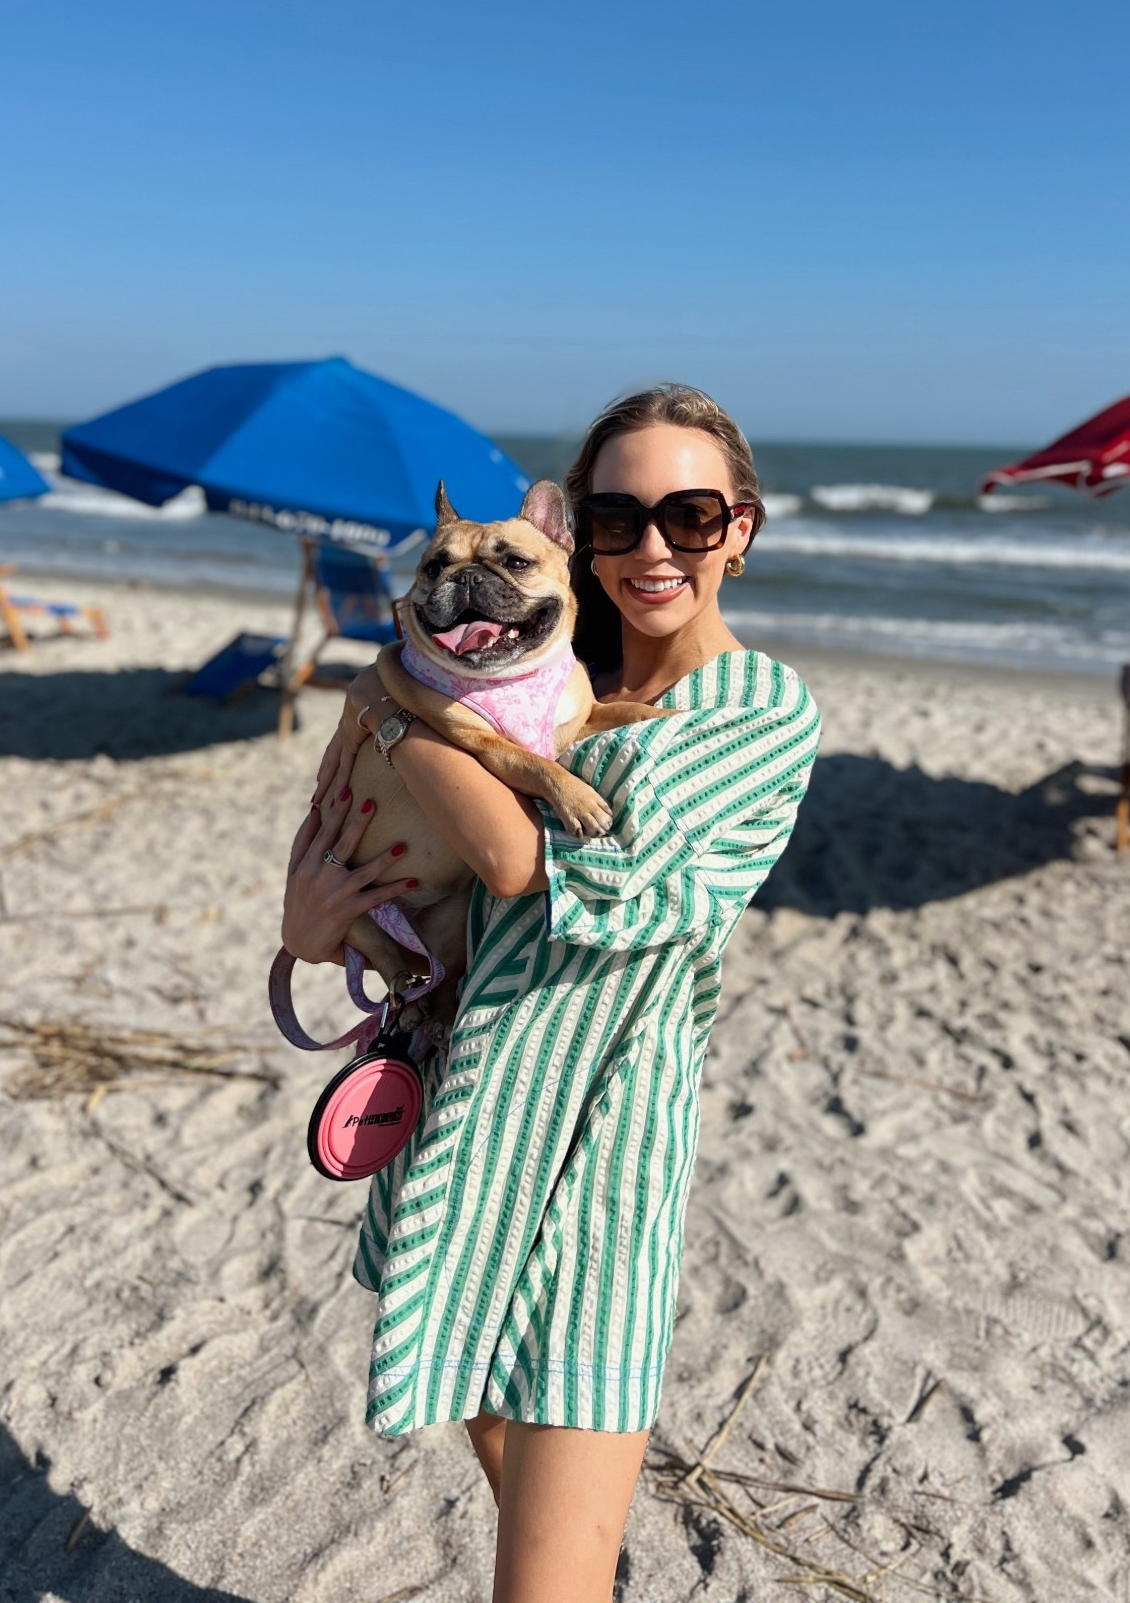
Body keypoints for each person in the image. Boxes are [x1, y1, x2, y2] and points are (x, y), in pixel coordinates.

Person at [282, 383, 821, 1603]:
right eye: (617, 517)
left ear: (740, 527)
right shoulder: (541, 673)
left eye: (687, 515)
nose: (650, 547)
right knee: (487, 1434)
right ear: (576, 534)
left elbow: (560, 874)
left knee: (546, 1576)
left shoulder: (758, 706)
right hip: (462, 1109)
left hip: (594, 1159)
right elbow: (371, 867)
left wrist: (391, 702)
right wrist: (310, 928)